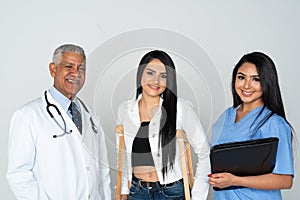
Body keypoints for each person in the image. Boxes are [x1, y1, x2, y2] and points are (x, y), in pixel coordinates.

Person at [7, 44, 111, 200]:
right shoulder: (28, 115)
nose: (76, 73)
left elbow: (102, 170)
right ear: (53, 69)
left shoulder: (91, 115)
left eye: (81, 68)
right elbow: (18, 175)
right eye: (69, 66)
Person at [116, 50, 211, 200]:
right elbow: (122, 154)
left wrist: (198, 196)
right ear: (140, 74)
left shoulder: (180, 108)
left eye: (163, 76)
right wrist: (124, 191)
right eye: (150, 73)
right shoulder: (125, 110)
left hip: (171, 193)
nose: (156, 81)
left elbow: (205, 153)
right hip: (137, 191)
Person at [209, 52, 294, 199]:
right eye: (241, 77)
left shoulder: (274, 123)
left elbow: (285, 180)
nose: (247, 85)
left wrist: (235, 181)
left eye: (256, 79)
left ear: (267, 83)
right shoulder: (226, 116)